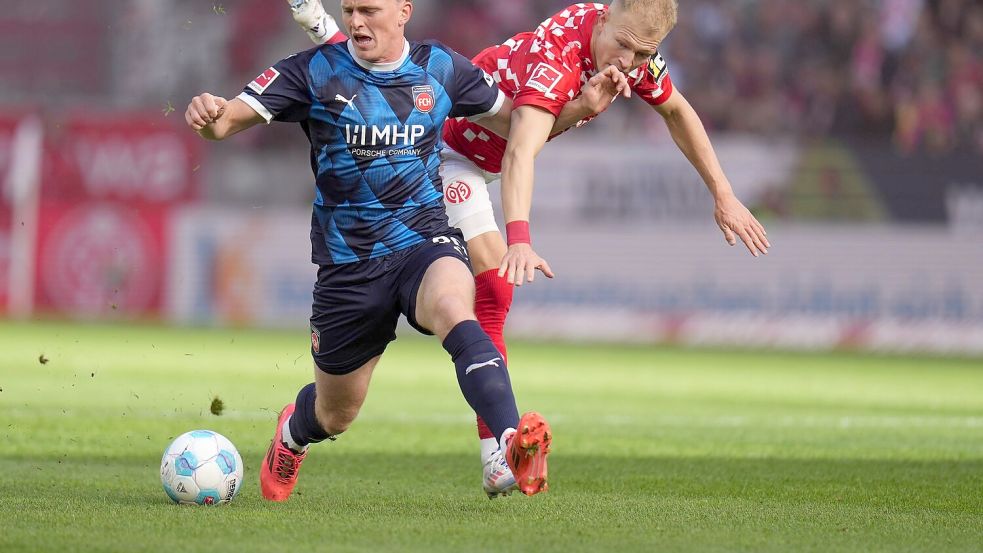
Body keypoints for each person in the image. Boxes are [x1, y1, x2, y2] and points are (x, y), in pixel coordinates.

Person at [285, 0, 768, 498]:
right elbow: (519, 147)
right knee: (493, 285)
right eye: (623, 45)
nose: (629, 60)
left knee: (470, 307)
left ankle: (497, 449)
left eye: (643, 53)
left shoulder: (630, 48)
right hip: (450, 152)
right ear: (602, 20)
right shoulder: (557, 58)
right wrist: (520, 238)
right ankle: (498, 454)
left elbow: (676, 109)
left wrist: (723, 193)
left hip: (484, 156)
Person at [183, 0, 591, 500]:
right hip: (348, 265)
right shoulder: (313, 71)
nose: (356, 22)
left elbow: (519, 126)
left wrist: (579, 109)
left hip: (424, 238)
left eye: (369, 10)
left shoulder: (442, 67)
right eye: (349, 10)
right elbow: (224, 123)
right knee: (336, 413)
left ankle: (509, 442)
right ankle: (293, 433)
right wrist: (208, 113)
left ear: (403, 11)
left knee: (455, 308)